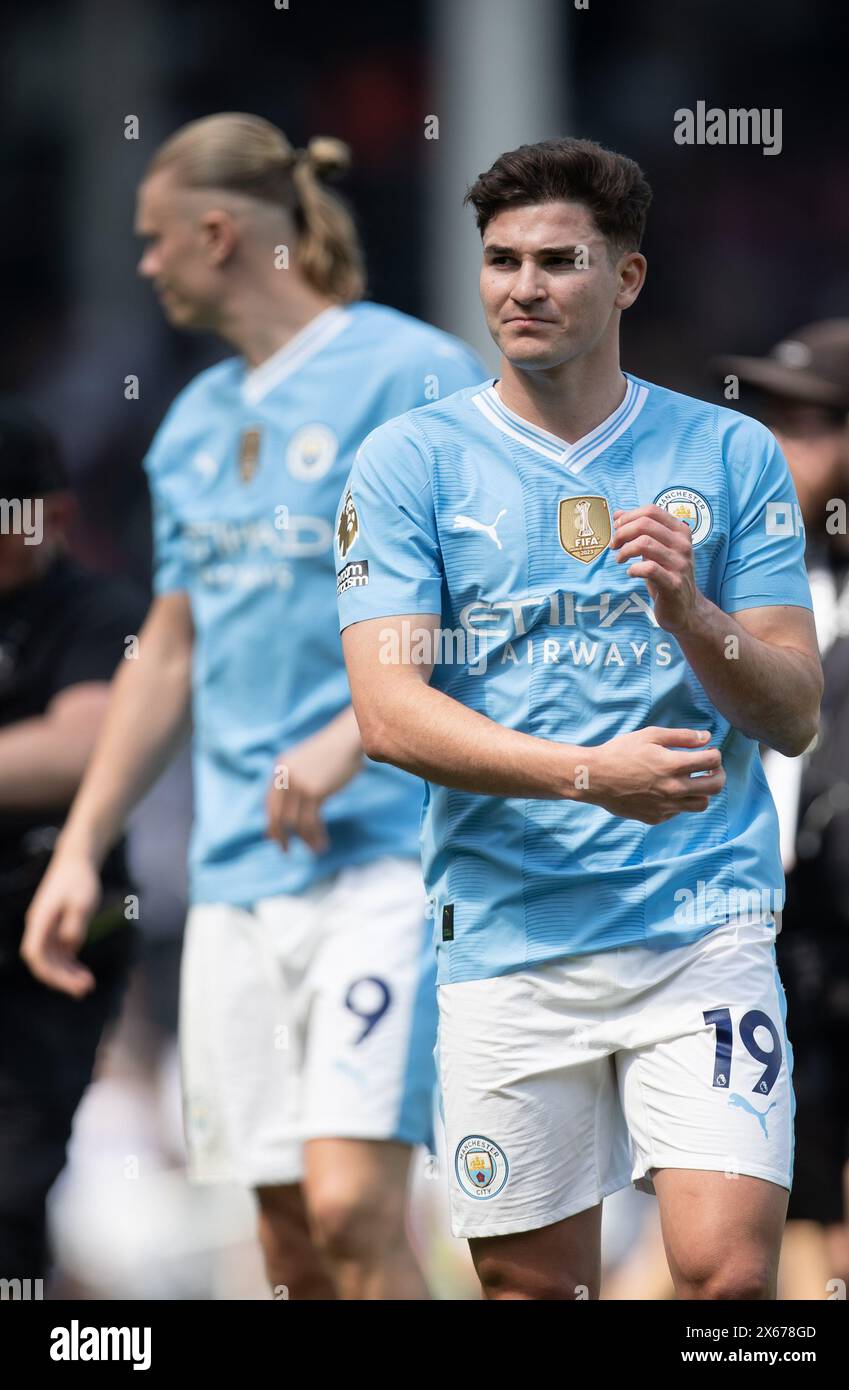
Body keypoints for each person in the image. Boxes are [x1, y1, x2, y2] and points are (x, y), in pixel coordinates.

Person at [335, 137, 823, 1300]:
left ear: (627, 278)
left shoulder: (726, 451)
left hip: (699, 916)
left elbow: (794, 710)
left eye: (558, 260)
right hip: (507, 931)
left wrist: (690, 611)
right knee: (530, 1293)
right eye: (500, 260)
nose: (522, 287)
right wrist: (586, 773)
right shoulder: (412, 461)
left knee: (726, 1279)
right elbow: (388, 714)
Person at [22, 113, 486, 1301]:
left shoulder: (411, 373)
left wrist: (352, 733)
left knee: (351, 1203)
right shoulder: (188, 426)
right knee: (282, 1238)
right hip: (235, 879)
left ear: (217, 233)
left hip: (386, 857)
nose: (142, 264)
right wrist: (79, 849)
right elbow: (166, 653)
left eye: (152, 238)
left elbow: (493, 594)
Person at [714, 321, 849, 1296]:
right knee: (782, 1237)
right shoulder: (766, 580)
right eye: (766, 418)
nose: (774, 444)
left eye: (803, 422)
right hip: (785, 944)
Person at [0, 405, 144, 1283]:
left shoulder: (100, 612)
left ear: (51, 517)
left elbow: (81, 746)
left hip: (48, 943)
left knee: (11, 1187)